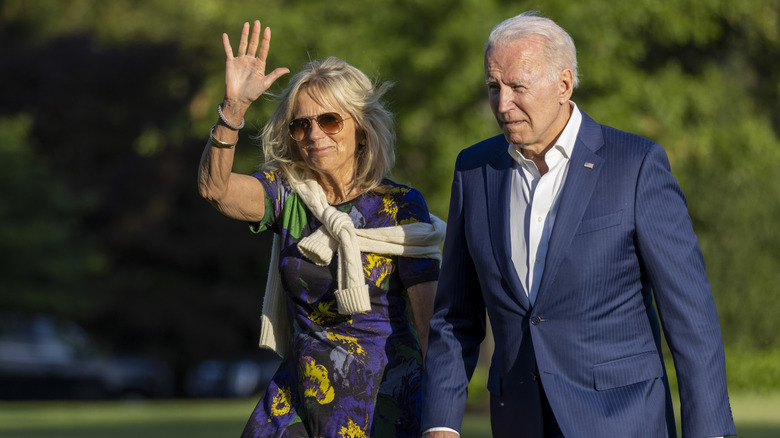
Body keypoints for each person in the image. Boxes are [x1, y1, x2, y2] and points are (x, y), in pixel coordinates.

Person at [421, 11, 736, 438]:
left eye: (518, 87)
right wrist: (440, 424)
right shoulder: (474, 171)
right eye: (494, 87)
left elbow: (691, 320)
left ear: (564, 85)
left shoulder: (637, 166)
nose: (502, 103)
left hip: (623, 422)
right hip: (518, 422)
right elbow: (455, 317)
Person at [198, 20, 444, 438]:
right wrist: (233, 110)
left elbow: (430, 328)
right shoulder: (287, 195)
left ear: (361, 127)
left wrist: (440, 423)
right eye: (301, 125)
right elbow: (214, 189)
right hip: (298, 396)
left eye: (330, 120)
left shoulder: (399, 206)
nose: (314, 134)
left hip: (379, 402)